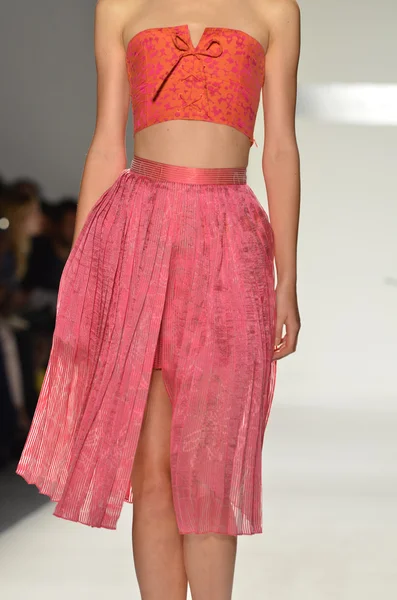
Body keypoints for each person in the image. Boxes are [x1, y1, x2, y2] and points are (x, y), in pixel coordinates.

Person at [18, 0, 301, 598]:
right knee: (149, 471)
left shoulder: (273, 10)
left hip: (230, 243)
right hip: (137, 235)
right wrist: (80, 272)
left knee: (208, 463)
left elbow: (279, 149)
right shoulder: (120, 7)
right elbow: (105, 146)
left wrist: (288, 280)